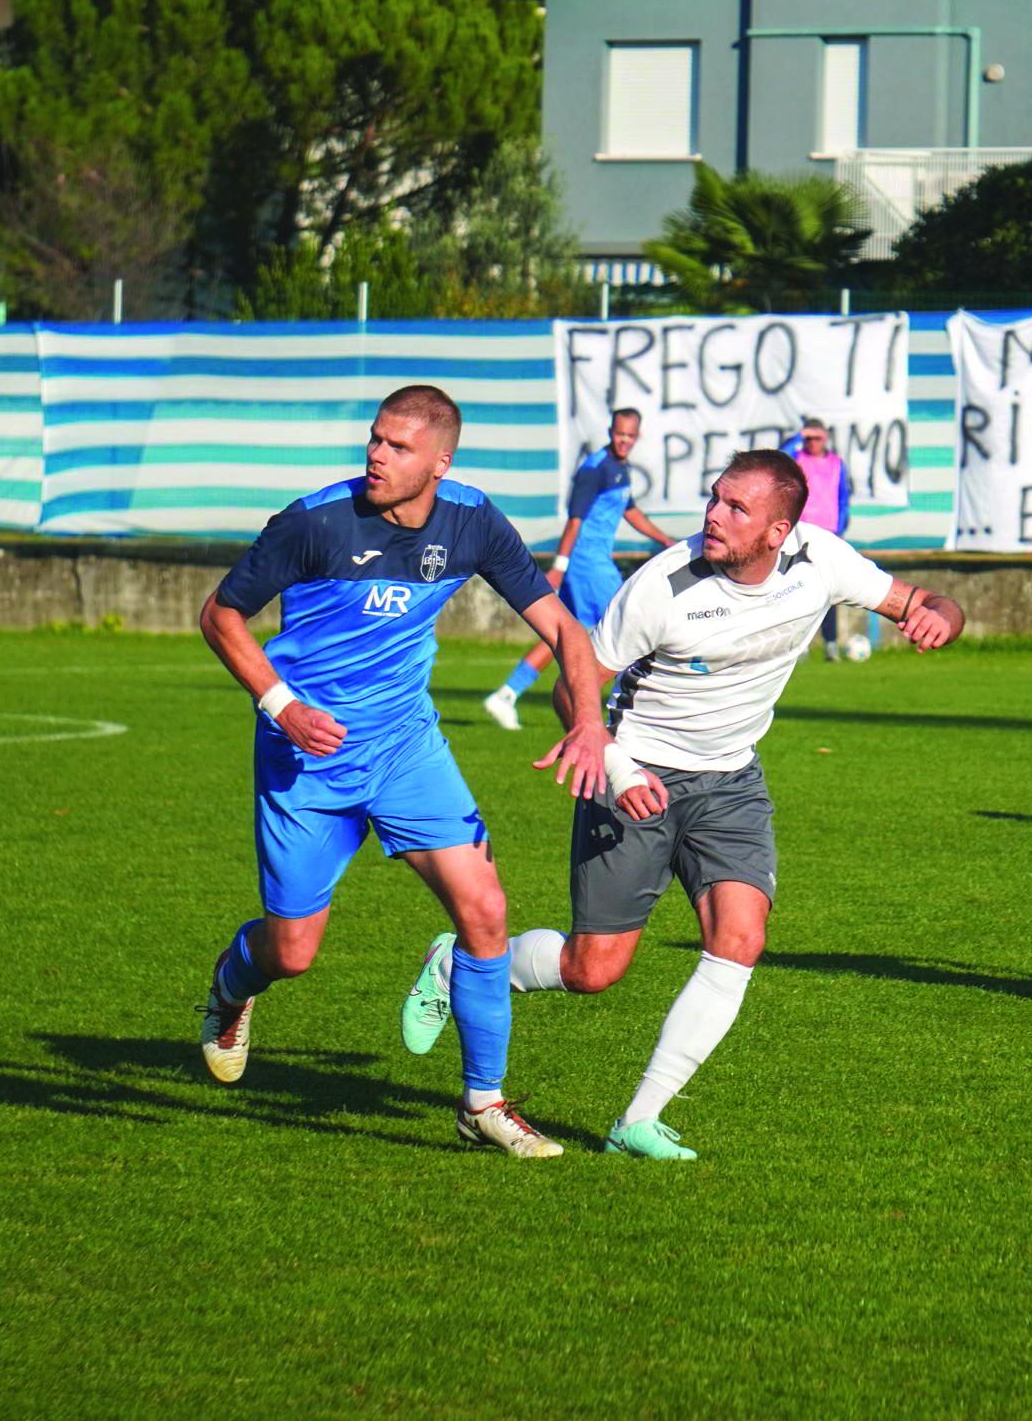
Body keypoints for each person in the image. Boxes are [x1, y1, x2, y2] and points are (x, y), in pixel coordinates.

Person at [403, 449, 965, 1159]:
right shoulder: (662, 587)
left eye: (736, 508)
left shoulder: (822, 560)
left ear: (778, 532)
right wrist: (614, 765)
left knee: (740, 939)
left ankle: (637, 1119)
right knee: (593, 970)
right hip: (637, 774)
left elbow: (923, 602)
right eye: (714, 498)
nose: (713, 516)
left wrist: (945, 615)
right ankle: (457, 965)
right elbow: (573, 687)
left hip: (730, 782)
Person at [196, 384, 614, 1159]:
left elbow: (562, 624)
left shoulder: (471, 520)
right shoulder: (314, 522)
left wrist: (589, 723)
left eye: (397, 447)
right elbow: (219, 615)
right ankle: (232, 985)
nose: (375, 457)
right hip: (306, 758)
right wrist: (281, 705)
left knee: (485, 910)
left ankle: (482, 1103)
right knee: (293, 952)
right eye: (374, 440)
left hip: (405, 750)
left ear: (439, 461)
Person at [483, 408, 675, 730]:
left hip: (593, 563)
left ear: (637, 436)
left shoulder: (619, 468)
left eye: (630, 436)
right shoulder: (594, 469)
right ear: (610, 430)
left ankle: (506, 694)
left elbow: (631, 512)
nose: (624, 440)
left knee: (560, 634)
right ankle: (641, 709)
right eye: (619, 434)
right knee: (632, 625)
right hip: (588, 565)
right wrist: (559, 566)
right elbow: (575, 522)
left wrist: (665, 540)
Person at [783, 418, 855, 661]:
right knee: (796, 588)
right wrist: (797, 437)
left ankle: (830, 643)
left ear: (825, 438)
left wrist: (840, 526)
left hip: (828, 533)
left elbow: (843, 496)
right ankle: (799, 644)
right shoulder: (797, 459)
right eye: (809, 438)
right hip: (799, 533)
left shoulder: (836, 463)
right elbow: (779, 459)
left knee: (829, 590)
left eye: (817, 438)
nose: (812, 443)